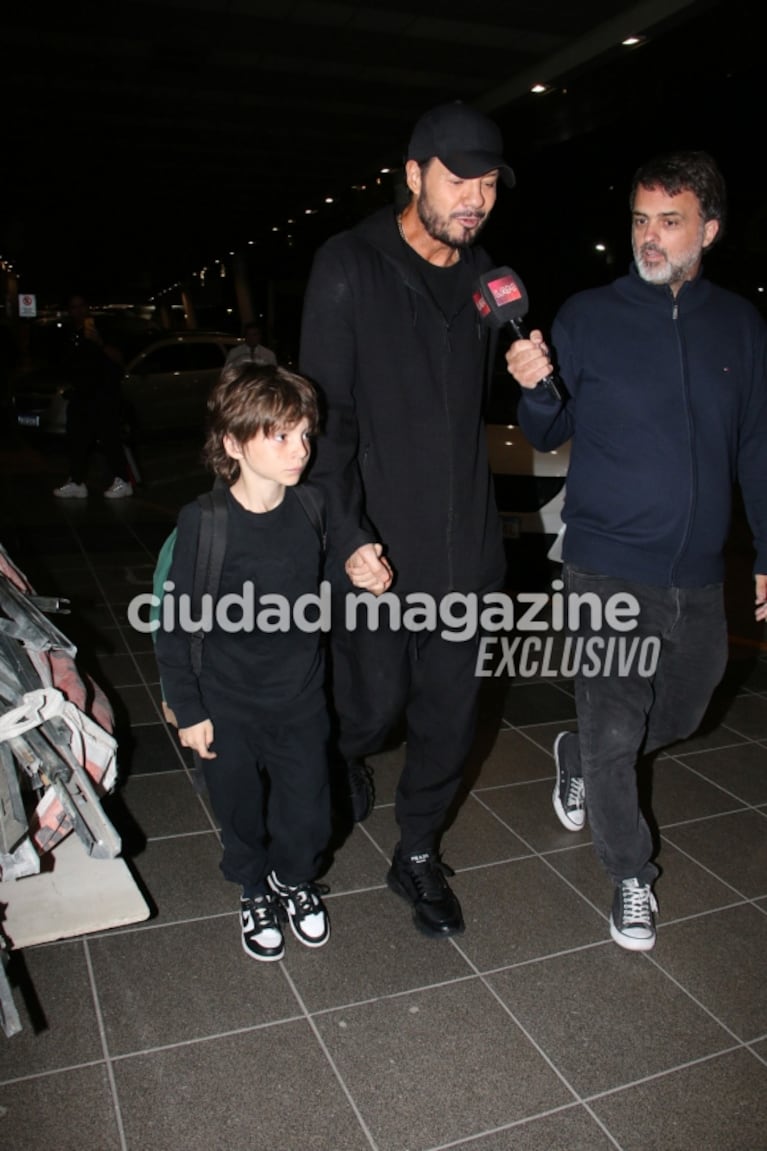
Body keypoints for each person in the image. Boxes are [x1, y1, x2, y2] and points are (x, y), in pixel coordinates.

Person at [506, 150, 767, 952]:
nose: (649, 238)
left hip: (696, 571)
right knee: (618, 728)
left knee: (685, 709)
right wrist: (531, 382)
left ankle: (578, 751)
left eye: (669, 221)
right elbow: (547, 428)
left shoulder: (740, 325)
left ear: (708, 229)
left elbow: (755, 443)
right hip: (604, 561)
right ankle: (629, 877)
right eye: (639, 221)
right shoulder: (588, 315)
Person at [299, 101, 514, 939]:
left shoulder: (484, 274)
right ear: (414, 172)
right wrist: (347, 536)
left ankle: (416, 851)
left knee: (448, 722)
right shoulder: (348, 265)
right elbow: (329, 421)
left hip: (465, 554)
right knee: (368, 705)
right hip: (376, 555)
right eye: (459, 179)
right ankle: (333, 762)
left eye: (489, 182)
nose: (476, 198)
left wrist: (529, 371)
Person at [154, 362, 384, 961]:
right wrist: (187, 707)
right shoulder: (204, 521)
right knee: (239, 811)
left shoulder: (314, 505)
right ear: (233, 443)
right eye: (279, 436)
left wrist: (362, 569)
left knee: (309, 815)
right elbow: (175, 622)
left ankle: (291, 879)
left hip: (300, 698)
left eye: (304, 434)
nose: (298, 450)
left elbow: (332, 574)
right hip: (226, 701)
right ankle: (254, 888)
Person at [53, 294, 134, 499]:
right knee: (77, 439)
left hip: (104, 394)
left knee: (110, 438)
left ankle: (122, 480)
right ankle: (76, 481)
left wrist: (98, 341)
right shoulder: (72, 334)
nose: (78, 311)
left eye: (81, 306)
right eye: (73, 307)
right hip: (81, 395)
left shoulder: (103, 329)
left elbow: (119, 358)